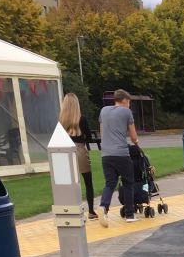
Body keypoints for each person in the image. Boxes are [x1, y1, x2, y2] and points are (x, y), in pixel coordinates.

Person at [97, 88, 140, 226]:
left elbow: (102, 132)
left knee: (110, 183)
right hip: (121, 154)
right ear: (125, 100)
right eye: (129, 103)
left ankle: (103, 207)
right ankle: (129, 214)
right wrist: (137, 144)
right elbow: (133, 136)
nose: (129, 106)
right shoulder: (127, 112)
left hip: (106, 154)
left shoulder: (103, 111)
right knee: (128, 182)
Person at [58, 93, 97, 219]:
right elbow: (89, 138)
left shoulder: (61, 121)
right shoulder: (82, 119)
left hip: (65, 152)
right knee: (87, 182)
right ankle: (91, 210)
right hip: (79, 149)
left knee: (69, 184)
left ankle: (69, 210)